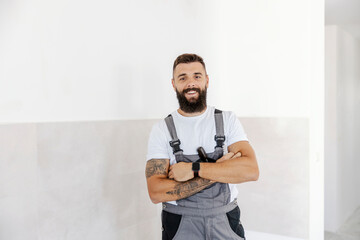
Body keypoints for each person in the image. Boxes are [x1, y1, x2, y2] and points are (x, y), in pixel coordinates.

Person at [145, 53, 259, 240]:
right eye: (183, 78)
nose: (191, 83)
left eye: (197, 76)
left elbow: (251, 171)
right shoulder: (162, 129)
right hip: (180, 224)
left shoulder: (227, 120)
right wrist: (220, 170)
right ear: (174, 84)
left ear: (206, 80)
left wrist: (194, 169)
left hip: (225, 222)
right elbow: (156, 192)